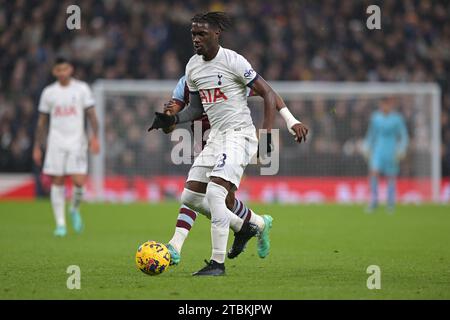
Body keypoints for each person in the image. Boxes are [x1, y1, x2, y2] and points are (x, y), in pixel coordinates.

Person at [149, 12, 308, 276]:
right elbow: (195, 109)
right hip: (215, 138)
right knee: (190, 196)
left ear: (216, 35)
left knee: (216, 195)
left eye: (201, 34)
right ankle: (248, 225)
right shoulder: (192, 68)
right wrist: (173, 120)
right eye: (193, 34)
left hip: (239, 135)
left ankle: (217, 263)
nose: (196, 39)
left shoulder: (233, 61)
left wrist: (270, 134)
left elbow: (268, 93)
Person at [162, 74, 295, 266]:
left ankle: (178, 246)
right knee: (214, 198)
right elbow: (171, 122)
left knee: (209, 195)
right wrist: (167, 119)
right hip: (206, 143)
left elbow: (269, 93)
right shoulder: (185, 83)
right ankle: (259, 223)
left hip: (233, 140)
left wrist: (288, 122)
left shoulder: (224, 75)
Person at [33, 57, 100, 236]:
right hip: (56, 142)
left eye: (65, 69)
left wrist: (95, 138)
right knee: (58, 181)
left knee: (79, 182)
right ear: (54, 72)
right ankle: (61, 224)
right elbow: (41, 121)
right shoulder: (49, 92)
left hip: (77, 142)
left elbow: (92, 115)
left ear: (70, 69)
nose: (62, 73)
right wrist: (37, 147)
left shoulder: (81, 89)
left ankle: (74, 209)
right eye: (58, 70)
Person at [363, 98, 409, 212]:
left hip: (391, 151)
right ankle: (373, 201)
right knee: (373, 173)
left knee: (391, 177)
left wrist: (402, 149)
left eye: (387, 104)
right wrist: (366, 146)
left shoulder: (397, 119)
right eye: (382, 104)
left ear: (390, 105)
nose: (384, 107)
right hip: (378, 150)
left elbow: (404, 135)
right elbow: (371, 134)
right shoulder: (375, 117)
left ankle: (390, 203)